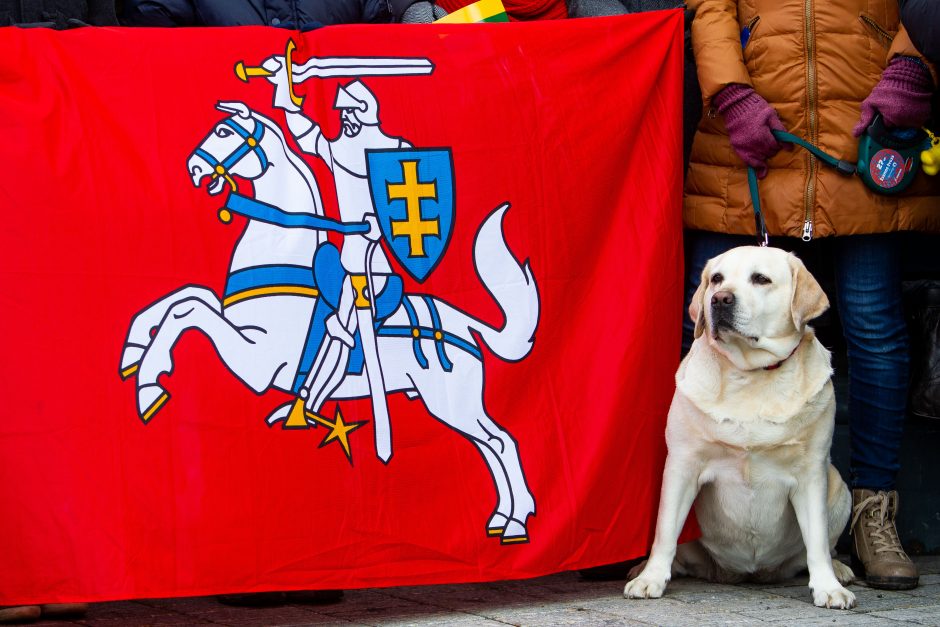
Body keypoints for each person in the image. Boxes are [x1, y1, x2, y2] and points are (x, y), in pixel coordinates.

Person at [682, 0, 939, 590]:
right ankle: (687, 515)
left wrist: (912, 67)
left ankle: (875, 512)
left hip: (864, 136)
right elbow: (710, 6)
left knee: (874, 325)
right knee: (699, 325)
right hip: (752, 136)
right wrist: (730, 94)